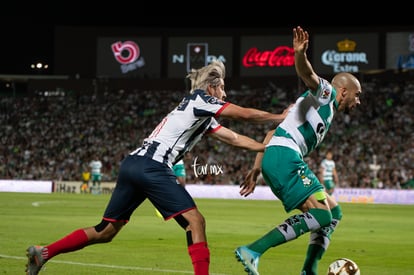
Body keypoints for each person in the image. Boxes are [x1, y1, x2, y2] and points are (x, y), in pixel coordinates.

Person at [25, 60, 290, 275]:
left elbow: (234, 138)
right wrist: (280, 116)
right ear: (212, 87)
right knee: (195, 222)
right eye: (223, 89)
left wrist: (265, 148)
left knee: (105, 231)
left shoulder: (199, 114)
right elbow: (244, 114)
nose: (225, 94)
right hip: (153, 166)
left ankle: (44, 252)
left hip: (133, 164)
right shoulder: (200, 100)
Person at [234, 26, 362, 275]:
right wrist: (300, 54)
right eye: (357, 95)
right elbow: (308, 74)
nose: (358, 101)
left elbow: (272, 134)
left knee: (333, 212)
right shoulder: (326, 94)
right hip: (285, 157)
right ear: (344, 91)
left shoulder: (318, 109)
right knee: (321, 215)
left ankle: (308, 270)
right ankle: (253, 250)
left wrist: (256, 168)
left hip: (279, 155)